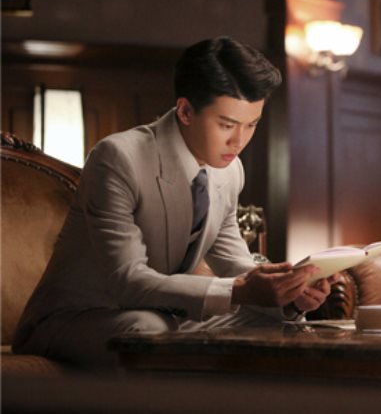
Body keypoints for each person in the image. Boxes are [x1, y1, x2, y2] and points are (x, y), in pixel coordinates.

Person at [13, 36, 337, 367]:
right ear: (185, 111)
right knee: (149, 331)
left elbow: (235, 265)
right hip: (74, 319)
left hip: (161, 315)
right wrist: (240, 290)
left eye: (251, 125)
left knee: (272, 324)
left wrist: (291, 295)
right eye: (227, 125)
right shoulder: (119, 158)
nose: (239, 141)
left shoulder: (229, 172)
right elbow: (128, 281)